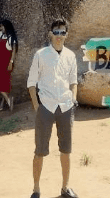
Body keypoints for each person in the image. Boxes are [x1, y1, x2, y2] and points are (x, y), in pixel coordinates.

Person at [27, 17, 79, 198]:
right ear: (50, 34)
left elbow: (74, 81)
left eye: (62, 32)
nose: (59, 36)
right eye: (55, 32)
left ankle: (65, 188)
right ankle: (36, 189)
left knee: (66, 150)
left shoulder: (71, 56)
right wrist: (37, 107)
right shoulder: (40, 55)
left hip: (65, 107)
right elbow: (31, 83)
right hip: (46, 107)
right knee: (40, 150)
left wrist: (73, 100)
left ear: (66, 34)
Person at [0, 19, 18, 112]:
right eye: (1, 26)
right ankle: (4, 103)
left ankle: (9, 100)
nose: (1, 28)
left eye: (3, 26)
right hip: (0, 63)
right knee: (1, 84)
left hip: (6, 63)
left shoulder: (11, 37)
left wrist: (11, 62)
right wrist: (1, 28)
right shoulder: (0, 35)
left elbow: (13, 51)